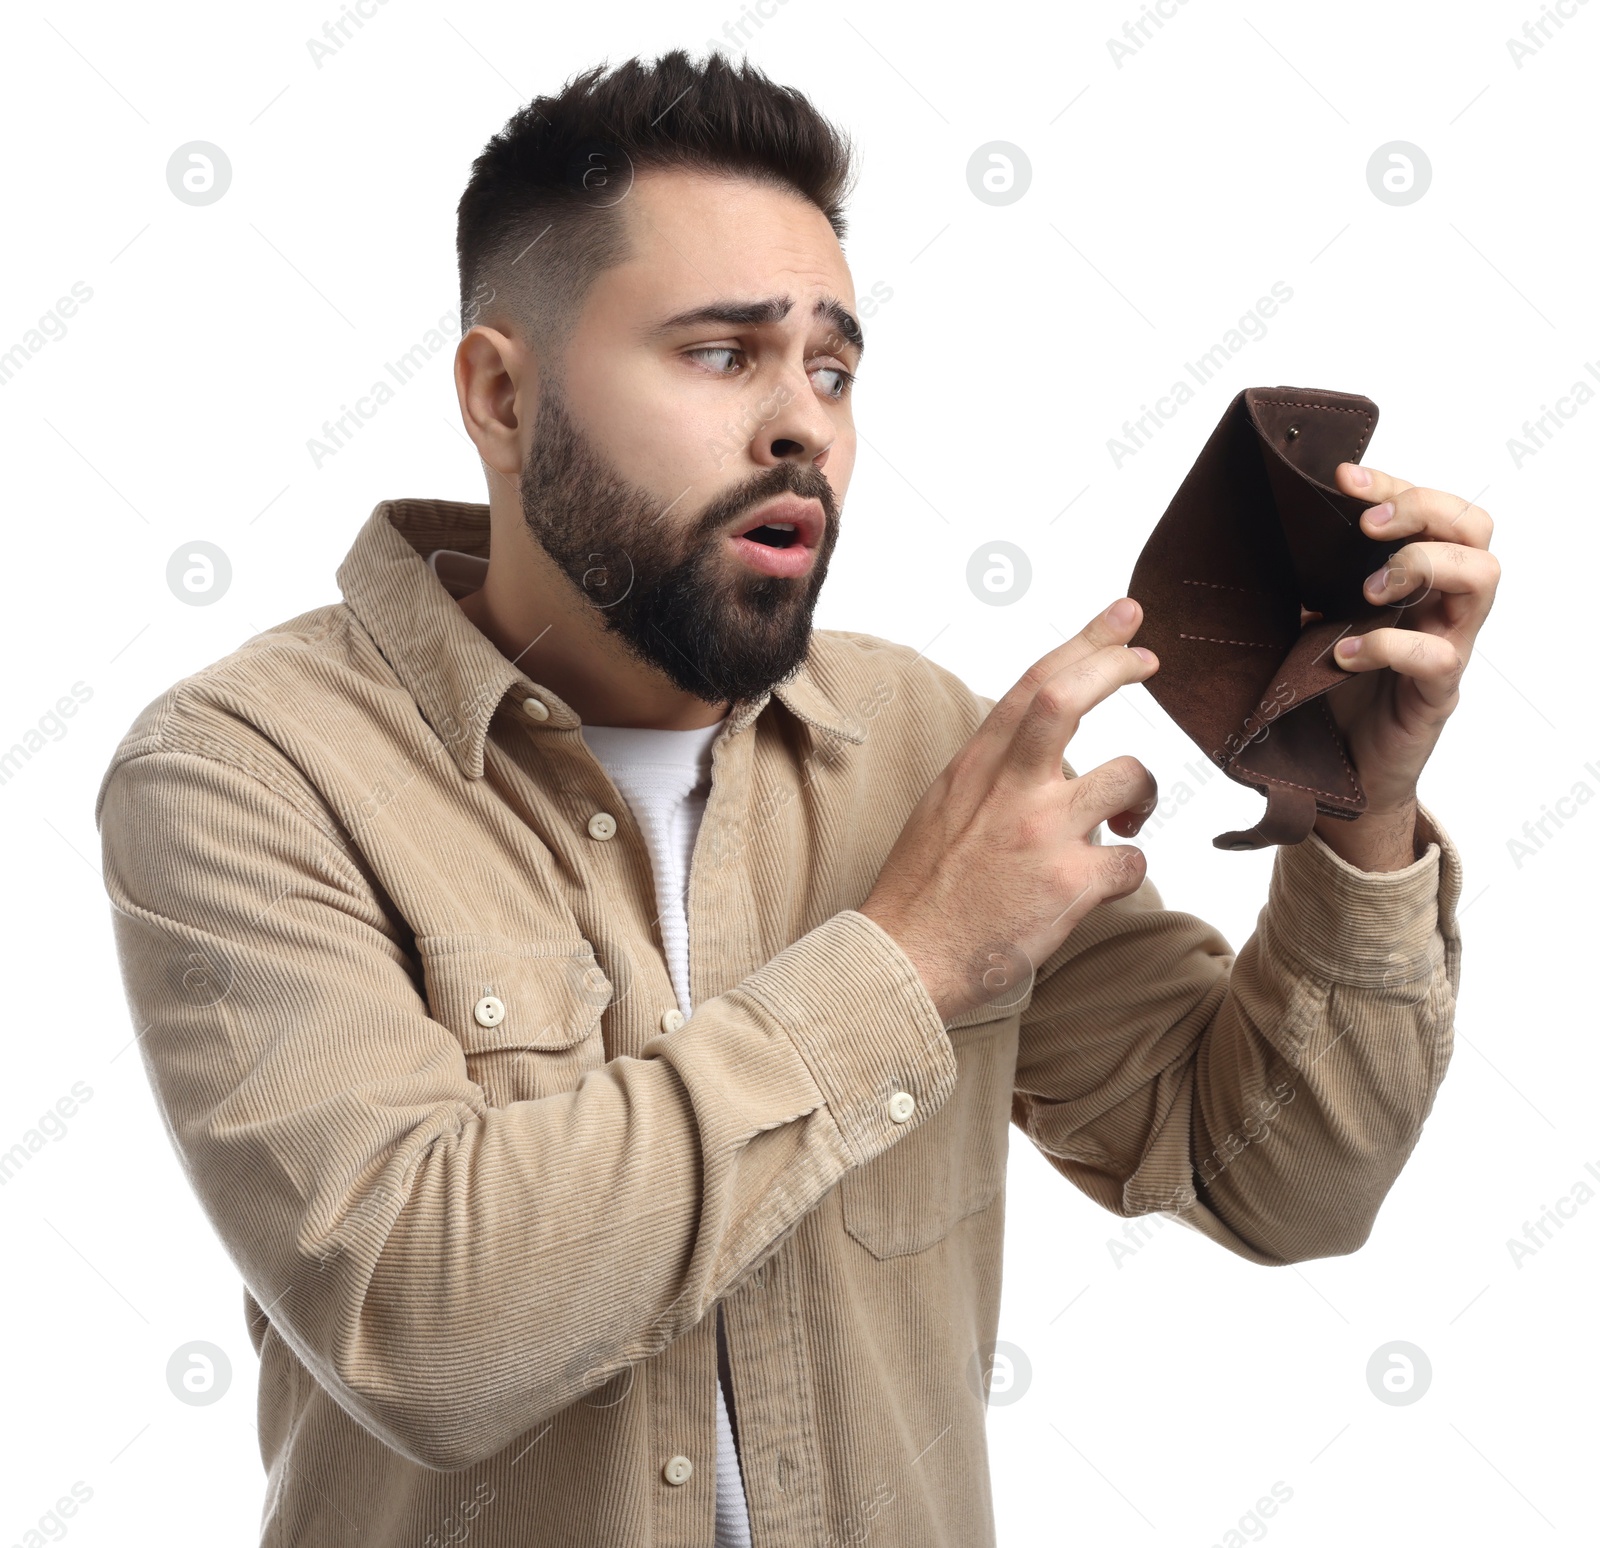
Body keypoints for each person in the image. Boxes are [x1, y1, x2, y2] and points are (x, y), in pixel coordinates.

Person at [95, 48, 1493, 1548]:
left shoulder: (925, 746)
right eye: (721, 354)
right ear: (501, 396)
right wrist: (904, 964)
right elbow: (422, 1328)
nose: (802, 426)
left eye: (831, 367)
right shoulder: (248, 772)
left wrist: (1356, 803)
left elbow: (1281, 1181)